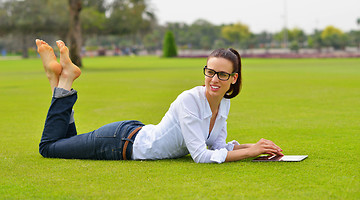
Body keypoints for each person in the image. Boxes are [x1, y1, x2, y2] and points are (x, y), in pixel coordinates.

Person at [36, 39, 283, 163]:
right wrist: (251, 151)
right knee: (49, 148)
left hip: (132, 133)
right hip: (120, 142)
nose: (214, 79)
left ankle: (59, 81)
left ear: (233, 78)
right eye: (210, 71)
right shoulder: (190, 99)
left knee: (64, 142)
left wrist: (256, 147)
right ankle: (62, 80)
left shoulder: (223, 103)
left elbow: (216, 147)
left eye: (222, 74)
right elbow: (200, 155)